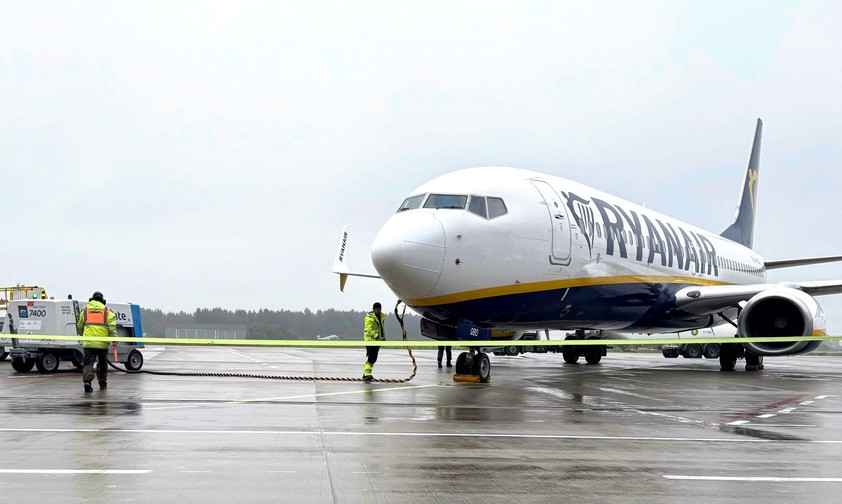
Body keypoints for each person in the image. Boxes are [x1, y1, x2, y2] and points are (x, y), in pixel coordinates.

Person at [77, 291, 117, 393]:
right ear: (103, 301)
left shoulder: (84, 311)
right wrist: (114, 339)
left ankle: (87, 382)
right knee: (102, 363)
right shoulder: (108, 312)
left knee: (88, 363)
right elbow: (112, 328)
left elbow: (80, 325)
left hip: (89, 343)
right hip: (102, 343)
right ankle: (102, 383)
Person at [362, 302, 386, 381]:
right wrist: (377, 336)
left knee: (373, 357)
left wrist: (383, 337)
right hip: (370, 341)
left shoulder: (381, 316)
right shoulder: (369, 318)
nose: (379, 311)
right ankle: (367, 374)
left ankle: (366, 374)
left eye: (380, 309)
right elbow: (368, 329)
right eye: (377, 309)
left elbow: (381, 328)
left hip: (377, 341)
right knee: (370, 357)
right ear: (374, 309)